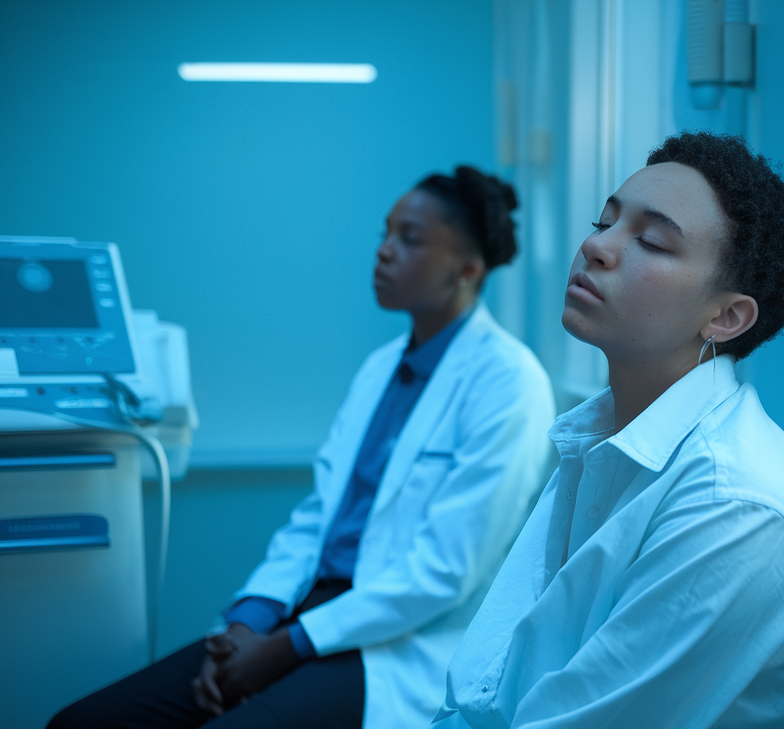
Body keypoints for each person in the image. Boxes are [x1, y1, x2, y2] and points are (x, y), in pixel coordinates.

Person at [49, 166, 556, 728]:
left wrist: (284, 648)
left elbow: (442, 573)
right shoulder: (380, 371)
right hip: (301, 614)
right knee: (81, 724)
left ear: (468, 268)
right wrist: (247, 624)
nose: (384, 252)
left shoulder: (509, 383)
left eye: (408, 239)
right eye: (384, 234)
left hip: (394, 644)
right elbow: (316, 521)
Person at [434, 132, 784, 729]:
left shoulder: (733, 503)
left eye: (651, 241)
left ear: (725, 316)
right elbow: (495, 681)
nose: (596, 247)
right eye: (604, 221)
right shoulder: (604, 437)